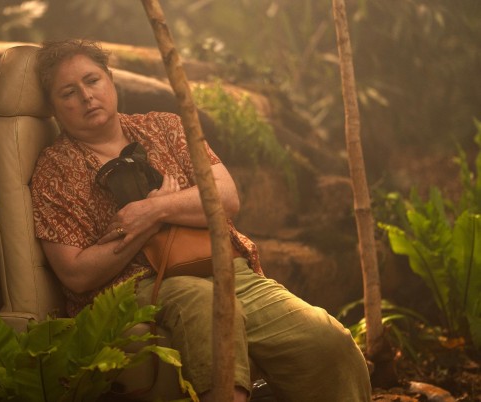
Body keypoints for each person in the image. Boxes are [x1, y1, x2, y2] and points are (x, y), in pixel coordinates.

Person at [30, 39, 372, 402]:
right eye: (69, 92)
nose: (86, 96)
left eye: (92, 80)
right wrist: (150, 224)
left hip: (221, 267)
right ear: (54, 107)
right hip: (133, 288)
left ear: (110, 80)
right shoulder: (55, 170)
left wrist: (154, 210)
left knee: (327, 340)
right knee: (206, 304)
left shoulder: (166, 127)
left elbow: (225, 197)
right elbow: (76, 274)